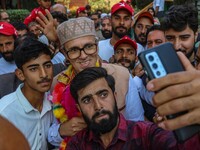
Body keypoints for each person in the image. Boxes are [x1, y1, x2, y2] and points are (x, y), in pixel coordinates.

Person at [36, 11, 146, 149]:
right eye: (74, 50)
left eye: (89, 47)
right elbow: (48, 134)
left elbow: (137, 121)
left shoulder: (122, 75)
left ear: (97, 46)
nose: (83, 56)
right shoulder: (55, 85)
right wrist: (62, 130)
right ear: (65, 54)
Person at [67, 67, 200, 149]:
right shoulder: (78, 144)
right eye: (87, 100)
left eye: (103, 94)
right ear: (79, 108)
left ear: (115, 96)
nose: (98, 106)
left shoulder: (146, 134)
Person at [0, 36, 54, 150]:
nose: (44, 74)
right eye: (33, 69)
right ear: (20, 74)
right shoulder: (4, 112)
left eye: (47, 65)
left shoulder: (54, 103)